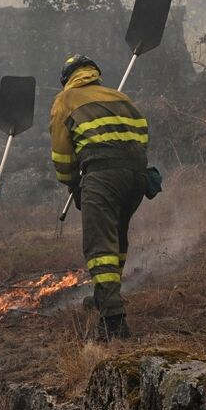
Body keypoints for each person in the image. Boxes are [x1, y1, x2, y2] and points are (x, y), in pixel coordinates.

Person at [49, 54, 149, 340]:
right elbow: (142, 135)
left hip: (102, 176)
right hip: (136, 177)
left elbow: (61, 153)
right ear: (94, 73)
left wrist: (72, 184)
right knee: (117, 238)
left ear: (67, 78)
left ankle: (113, 320)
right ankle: (104, 295)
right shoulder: (120, 97)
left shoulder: (65, 100)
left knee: (99, 245)